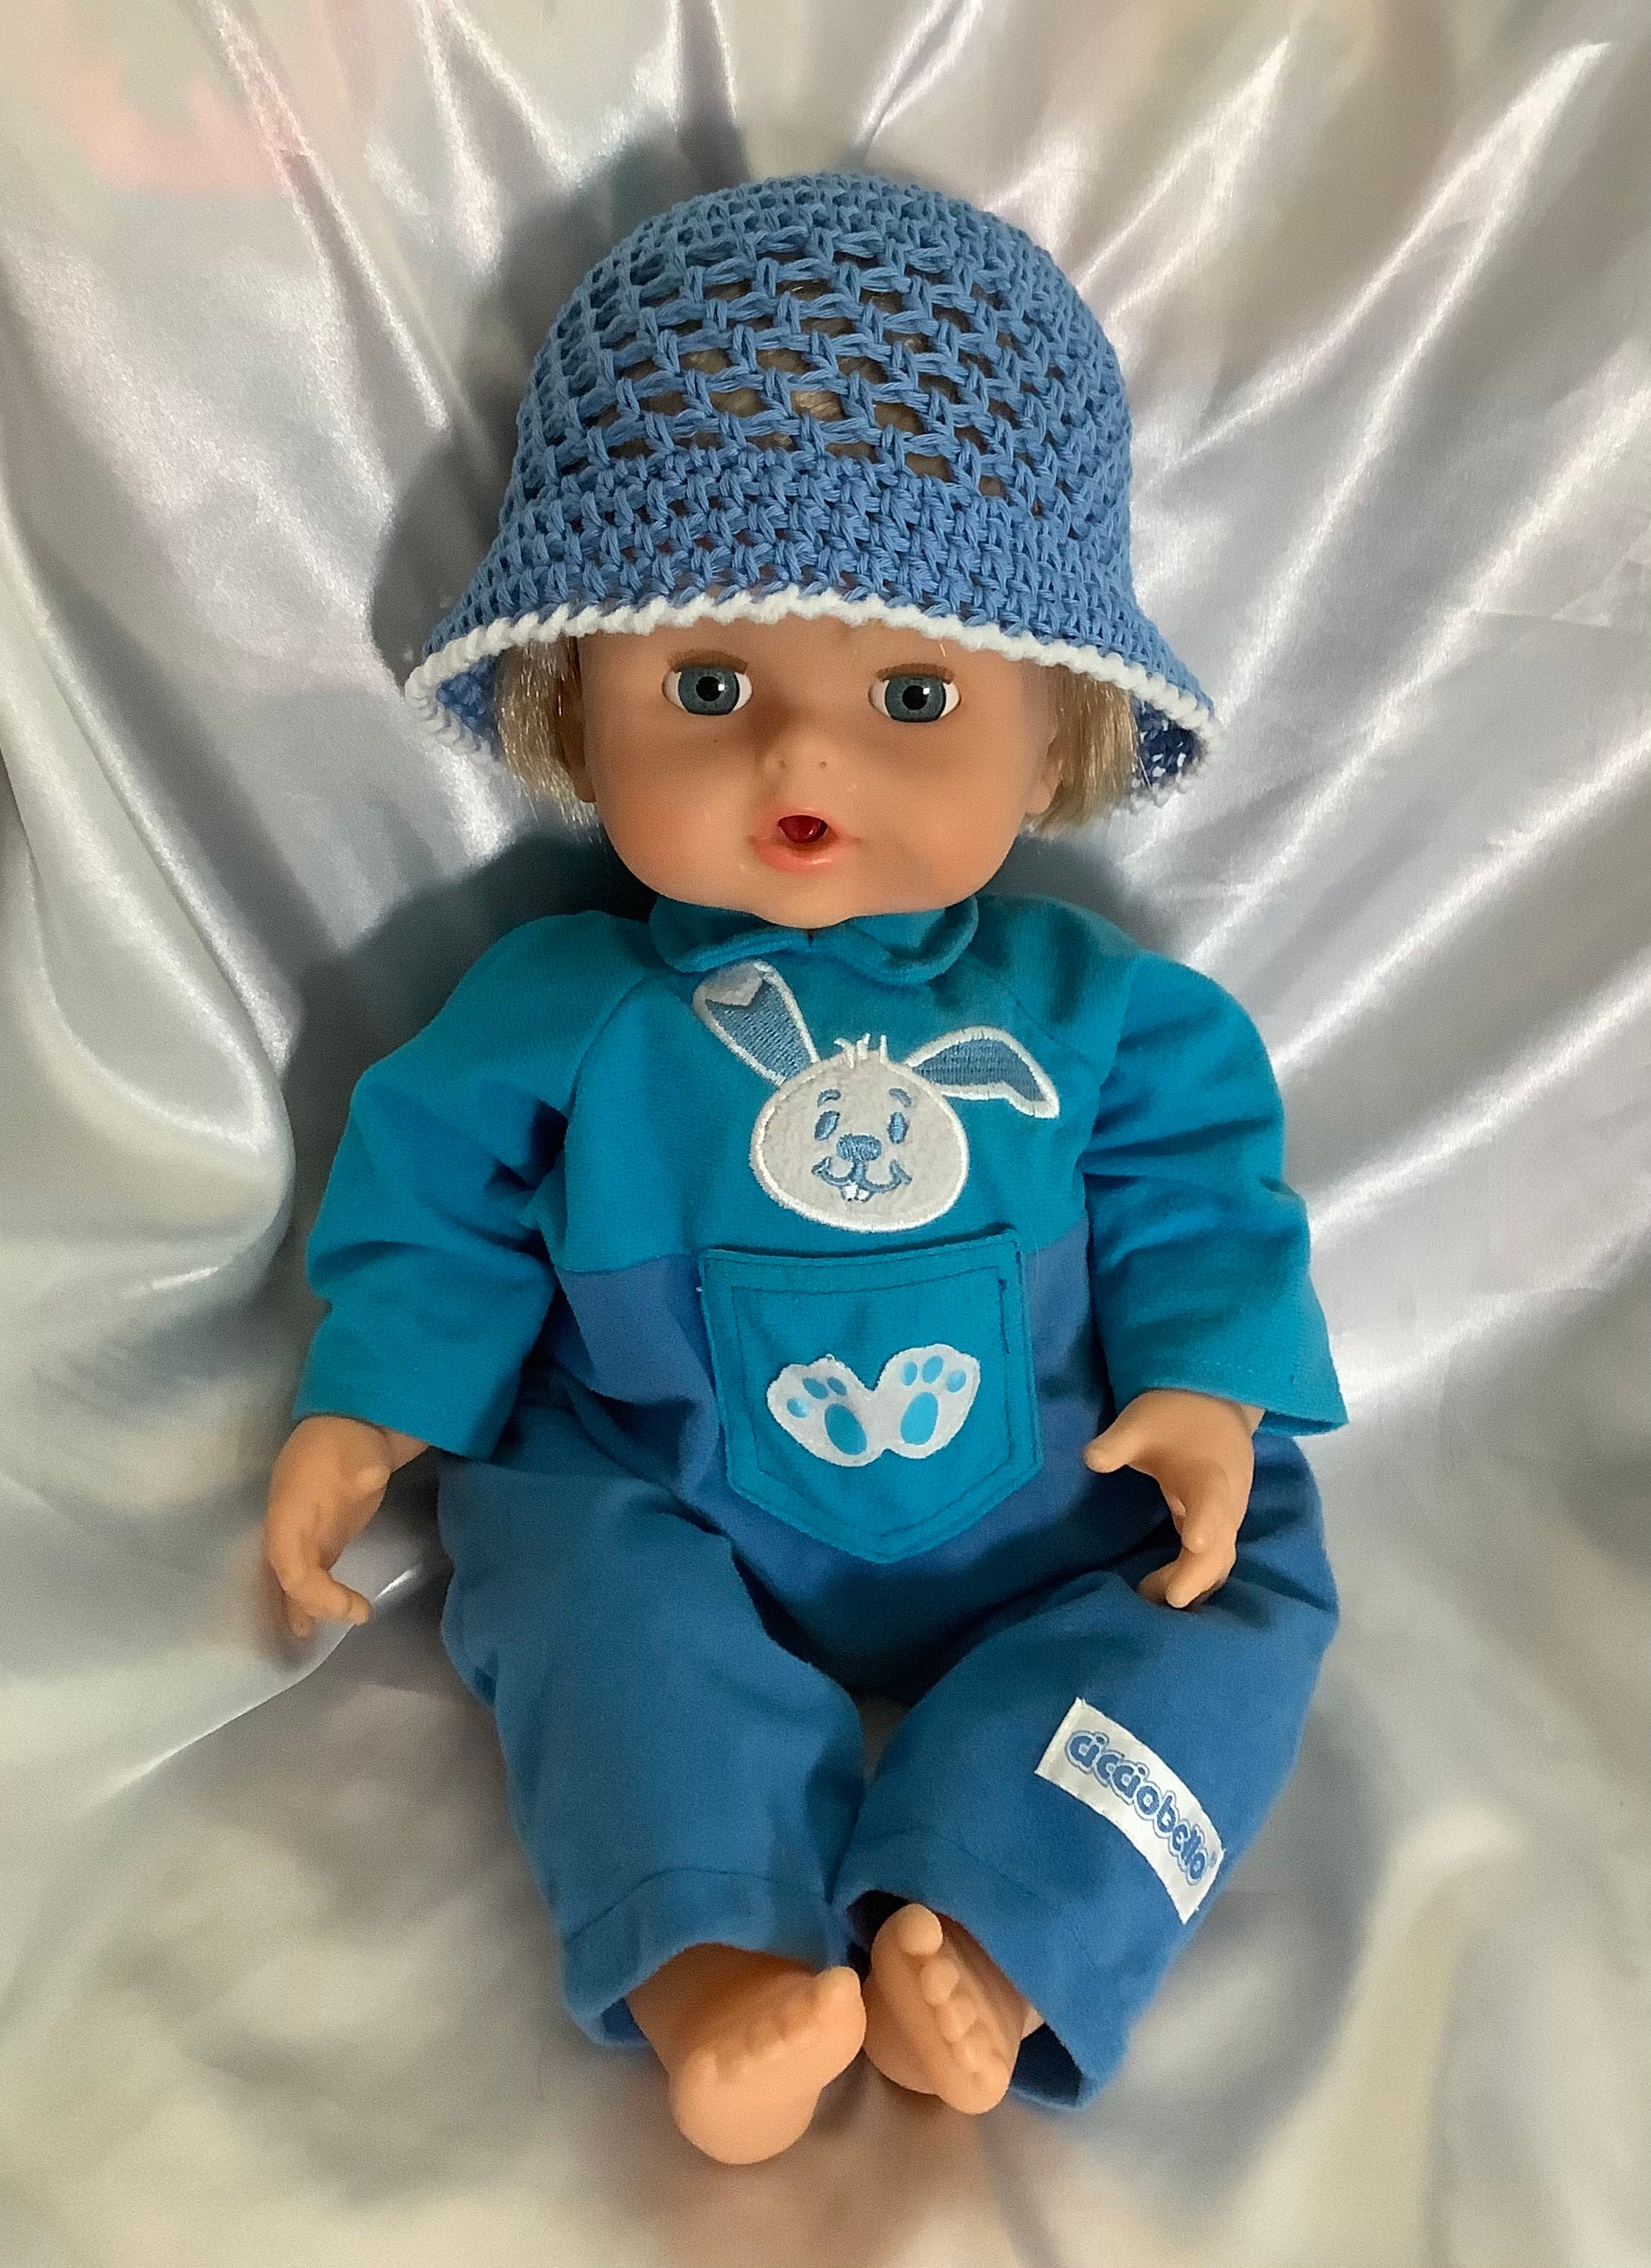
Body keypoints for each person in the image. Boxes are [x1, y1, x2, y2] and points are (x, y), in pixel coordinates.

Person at [264, 172, 1346, 2165]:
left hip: (1054, 1503)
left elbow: (1205, 1198)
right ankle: (712, 1957)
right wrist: (373, 1399)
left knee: (1241, 1584)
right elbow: (436, 1211)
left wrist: (1203, 1387)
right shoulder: (560, 1011)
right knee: (561, 1574)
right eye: (708, 688)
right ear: (575, 706)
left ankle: (1000, 1932)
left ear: (1051, 739)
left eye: (911, 698)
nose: (800, 764)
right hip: (671, 1490)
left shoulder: (1103, 1016)